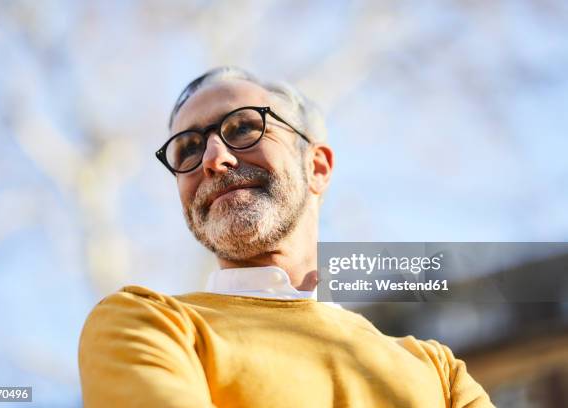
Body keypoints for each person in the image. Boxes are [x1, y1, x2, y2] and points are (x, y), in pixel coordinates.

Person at [78, 67, 495, 407]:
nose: (213, 159)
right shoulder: (147, 324)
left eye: (242, 128)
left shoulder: (440, 374)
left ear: (317, 168)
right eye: (187, 149)